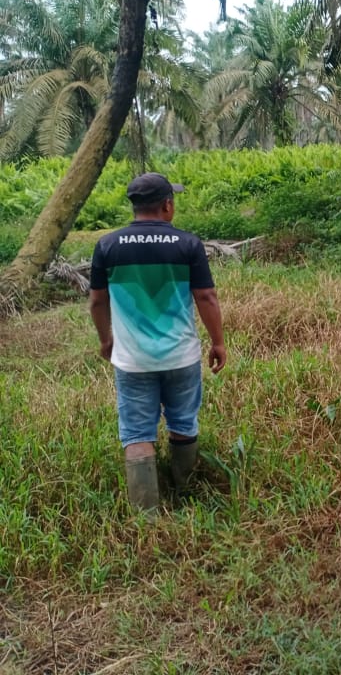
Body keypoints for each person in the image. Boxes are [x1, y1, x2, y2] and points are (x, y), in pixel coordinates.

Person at [89, 172, 226, 511]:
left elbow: (96, 302)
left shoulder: (107, 246)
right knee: (183, 421)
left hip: (132, 360)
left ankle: (146, 515)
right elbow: (206, 296)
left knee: (137, 432)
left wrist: (106, 340)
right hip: (181, 356)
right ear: (167, 204)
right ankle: (185, 493)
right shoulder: (188, 244)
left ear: (134, 206)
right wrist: (218, 343)